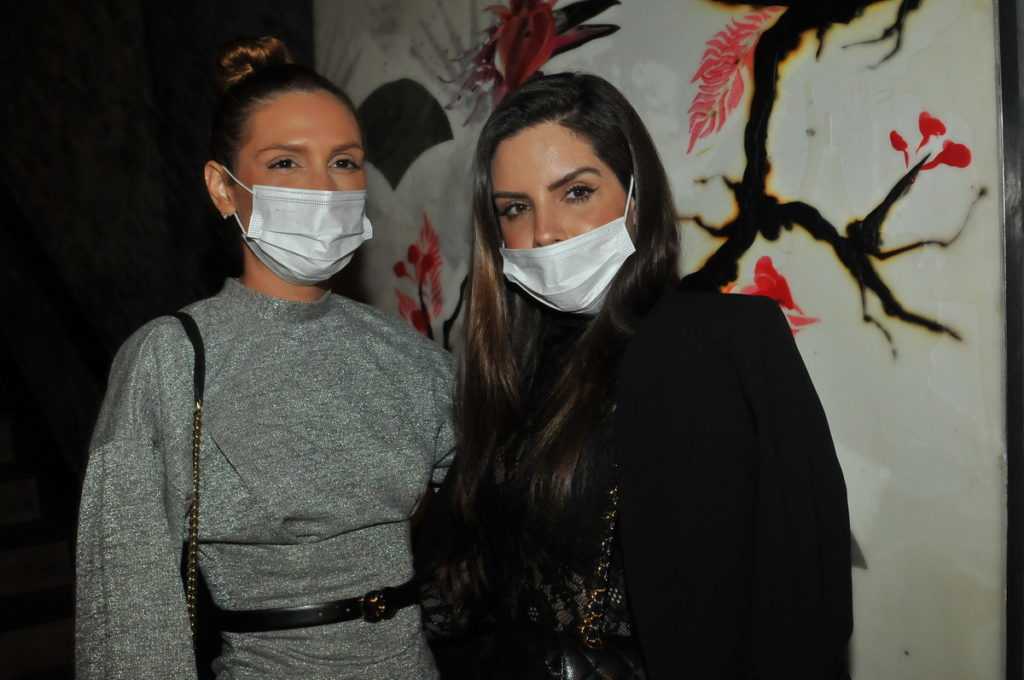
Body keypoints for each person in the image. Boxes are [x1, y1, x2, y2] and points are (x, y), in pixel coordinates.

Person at [418, 72, 852, 679]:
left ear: (635, 197)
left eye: (575, 192)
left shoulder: (724, 341)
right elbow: (466, 586)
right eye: (515, 208)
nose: (543, 232)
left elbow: (803, 591)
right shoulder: (507, 369)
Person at [75, 36, 455, 679]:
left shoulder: (409, 356)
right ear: (223, 188)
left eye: (344, 162)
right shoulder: (169, 358)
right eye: (285, 162)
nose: (324, 188)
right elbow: (127, 602)